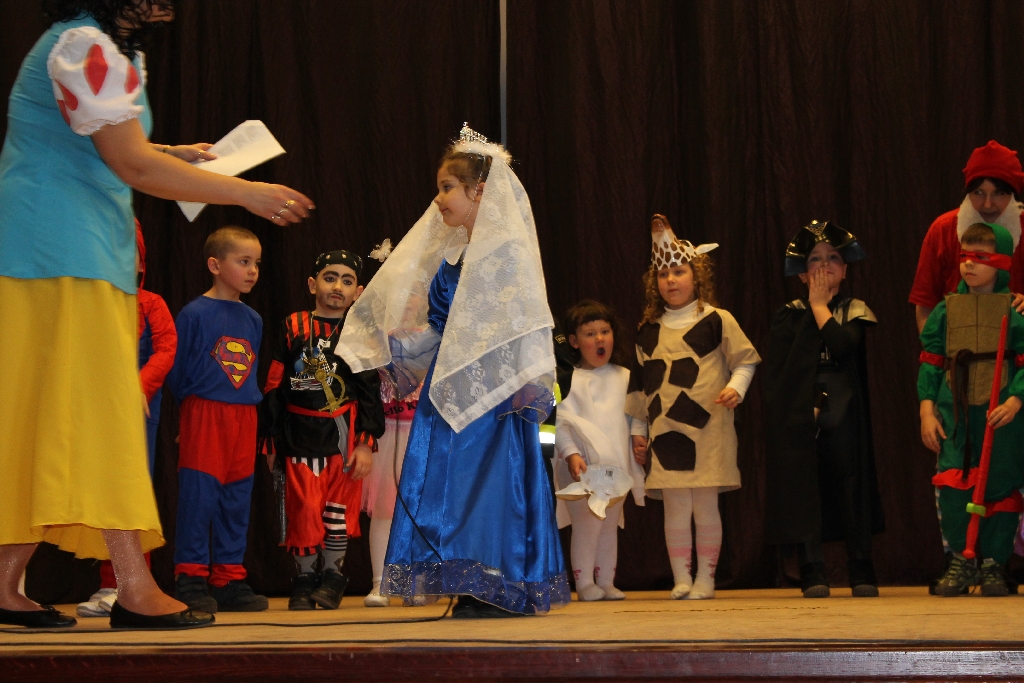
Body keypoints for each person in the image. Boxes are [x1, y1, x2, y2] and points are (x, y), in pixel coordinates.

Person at [0, 0, 311, 629]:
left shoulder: (96, 46)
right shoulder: (84, 46)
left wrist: (173, 152)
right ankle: (134, 587)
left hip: (67, 253)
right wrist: (247, 193)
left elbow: (115, 144)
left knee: (51, 415)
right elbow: (133, 164)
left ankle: (7, 586)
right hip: (60, 255)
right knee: (99, 416)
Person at [335, 124, 569, 617]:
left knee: (491, 486)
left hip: (493, 396)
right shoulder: (452, 258)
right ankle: (469, 581)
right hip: (448, 392)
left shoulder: (507, 255)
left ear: (479, 191)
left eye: (447, 188)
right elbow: (442, 331)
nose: (438, 199)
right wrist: (393, 345)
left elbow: (523, 324)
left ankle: (500, 585)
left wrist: (524, 383)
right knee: (452, 487)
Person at [910, 140, 1024, 590]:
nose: (989, 203)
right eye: (979, 193)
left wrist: (1016, 397)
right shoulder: (944, 238)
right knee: (955, 479)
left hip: (1002, 401)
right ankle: (961, 558)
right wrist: (929, 402)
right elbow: (930, 349)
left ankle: (995, 561)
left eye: (999, 193)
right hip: (956, 399)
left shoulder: (1013, 313)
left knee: (1002, 478)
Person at [628, 215, 760, 600]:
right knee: (674, 507)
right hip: (665, 432)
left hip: (708, 430)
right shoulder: (647, 331)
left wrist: (736, 387)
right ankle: (681, 578)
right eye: (663, 274)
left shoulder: (717, 320)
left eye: (679, 271)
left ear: (696, 276)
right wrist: (638, 432)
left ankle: (706, 578)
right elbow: (640, 388)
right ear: (655, 282)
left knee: (704, 506)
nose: (671, 280)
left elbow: (745, 360)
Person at [763, 221, 884, 598]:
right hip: (803, 407)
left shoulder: (854, 310)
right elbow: (784, 370)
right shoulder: (788, 315)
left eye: (833, 258)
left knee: (851, 483)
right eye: (815, 259)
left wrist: (820, 307)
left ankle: (861, 567)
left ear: (845, 270)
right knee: (805, 485)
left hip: (845, 405)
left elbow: (844, 348)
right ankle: (812, 569)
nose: (825, 264)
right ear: (802, 274)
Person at [261, 250, 384, 610]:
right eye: (330, 278)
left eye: (347, 281)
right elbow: (274, 383)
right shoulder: (293, 325)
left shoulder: (359, 333)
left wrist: (365, 443)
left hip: (343, 438)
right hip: (298, 434)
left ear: (358, 292)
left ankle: (332, 577)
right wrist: (270, 439)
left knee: (337, 511)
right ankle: (303, 578)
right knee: (303, 508)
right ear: (313, 284)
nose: (337, 287)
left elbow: (369, 391)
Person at [165, 226, 268, 613]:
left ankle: (228, 577)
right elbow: (177, 369)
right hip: (205, 413)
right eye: (243, 261)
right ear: (215, 265)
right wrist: (189, 416)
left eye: (256, 263)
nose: (252, 270)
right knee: (199, 496)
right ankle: (190, 577)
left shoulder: (253, 319)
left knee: (236, 499)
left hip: (244, 417)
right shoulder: (194, 314)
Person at [78, 221, 176, 617]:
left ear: (140, 262)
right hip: (98, 411)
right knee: (102, 494)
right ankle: (111, 583)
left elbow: (166, 349)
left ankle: (131, 584)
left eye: (128, 250)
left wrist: (139, 388)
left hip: (137, 413)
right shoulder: (92, 304)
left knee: (132, 494)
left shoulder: (151, 304)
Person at [554, 300, 646, 601]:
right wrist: (571, 453)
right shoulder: (567, 379)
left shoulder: (624, 376)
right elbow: (561, 422)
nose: (599, 339)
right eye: (590, 334)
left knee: (608, 526)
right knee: (587, 525)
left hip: (617, 470)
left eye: (604, 331)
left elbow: (636, 414)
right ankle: (584, 584)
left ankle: (606, 581)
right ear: (574, 341)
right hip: (582, 470)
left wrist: (639, 439)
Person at [361, 380, 420, 607]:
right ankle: (380, 582)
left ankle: (417, 581)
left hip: (421, 429)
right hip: (386, 431)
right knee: (383, 507)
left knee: (420, 511)